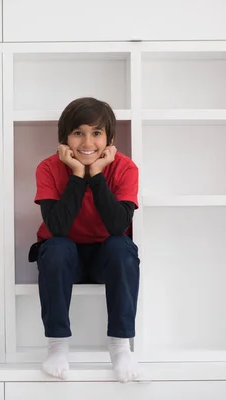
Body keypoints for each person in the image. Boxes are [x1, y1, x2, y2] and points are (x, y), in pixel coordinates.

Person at [29, 97, 140, 382]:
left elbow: (118, 225)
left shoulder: (125, 168)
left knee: (121, 246)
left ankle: (120, 346)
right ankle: (57, 346)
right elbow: (57, 227)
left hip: (106, 257)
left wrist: (98, 174)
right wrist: (79, 175)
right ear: (64, 139)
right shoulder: (48, 168)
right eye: (78, 133)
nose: (87, 142)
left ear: (110, 139)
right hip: (66, 257)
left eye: (96, 133)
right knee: (56, 247)